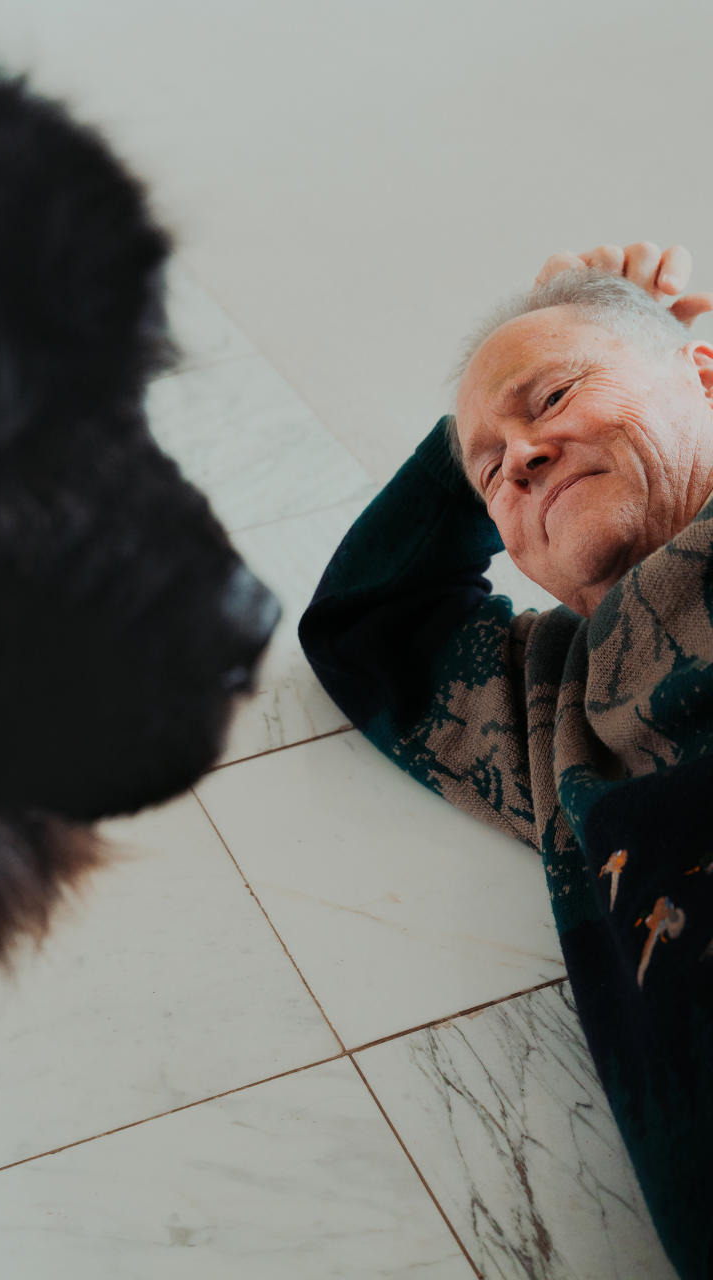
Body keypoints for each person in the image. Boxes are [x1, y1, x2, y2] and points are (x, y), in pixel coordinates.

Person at [299, 243, 713, 1280]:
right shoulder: (555, 707)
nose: (519, 457)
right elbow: (366, 622)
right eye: (489, 469)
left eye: (559, 392)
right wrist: (481, 429)